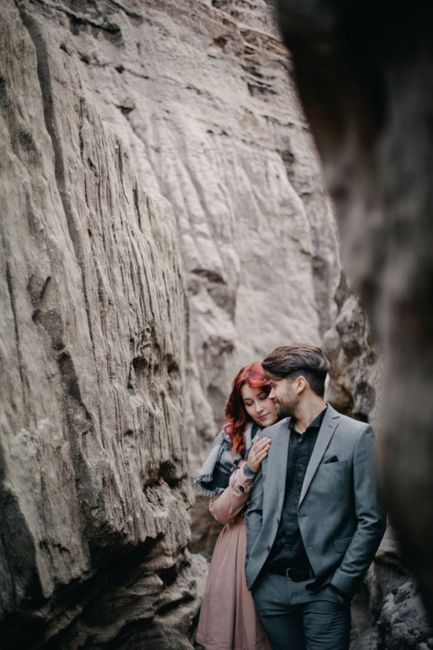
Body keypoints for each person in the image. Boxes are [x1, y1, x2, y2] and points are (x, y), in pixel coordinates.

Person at [245, 344, 387, 650]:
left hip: (325, 591)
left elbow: (371, 519)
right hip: (271, 592)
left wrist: (342, 585)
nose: (270, 397)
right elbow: (255, 509)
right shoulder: (267, 437)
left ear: (299, 384)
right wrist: (255, 574)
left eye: (274, 386)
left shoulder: (356, 436)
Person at [194, 362, 276, 650]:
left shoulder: (299, 430)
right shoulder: (233, 439)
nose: (259, 408)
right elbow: (220, 512)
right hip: (239, 548)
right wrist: (248, 471)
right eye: (249, 402)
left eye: (263, 396)